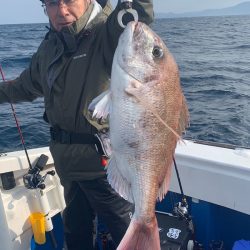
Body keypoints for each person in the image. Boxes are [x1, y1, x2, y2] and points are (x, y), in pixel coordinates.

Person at [0, 0, 153, 249]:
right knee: (76, 234)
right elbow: (24, 87)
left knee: (129, 237)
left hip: (105, 169)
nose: (61, 11)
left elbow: (140, 15)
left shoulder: (108, 32)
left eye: (69, 1)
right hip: (67, 166)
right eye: (51, 3)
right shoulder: (50, 47)